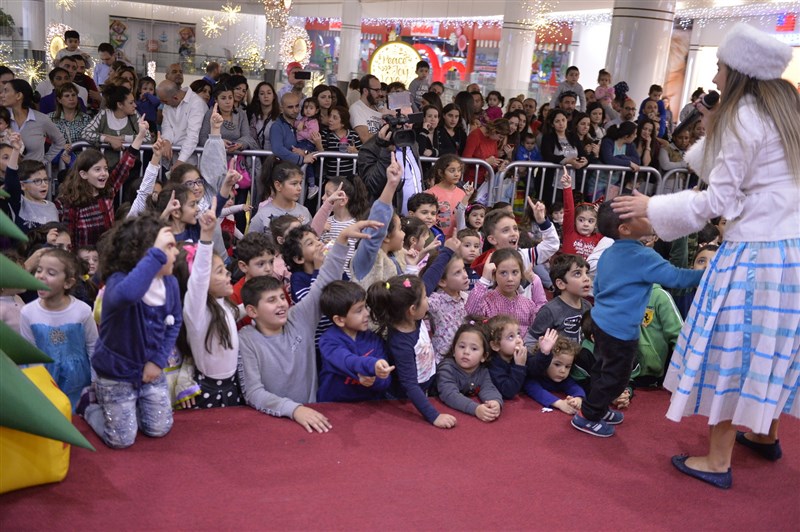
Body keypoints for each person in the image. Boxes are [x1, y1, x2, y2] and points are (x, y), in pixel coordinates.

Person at [613, 23, 800, 488]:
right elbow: (726, 165)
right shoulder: (783, 111)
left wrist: (650, 207)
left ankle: (717, 461)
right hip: (791, 254)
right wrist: (712, 121)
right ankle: (764, 433)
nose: (714, 78)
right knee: (772, 346)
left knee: (730, 348)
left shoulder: (743, 117)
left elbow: (714, 202)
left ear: (737, 70)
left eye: (718, 67)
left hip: (754, 254)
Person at [570, 201, 703, 438]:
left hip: (601, 321)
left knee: (603, 369)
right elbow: (678, 277)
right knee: (617, 376)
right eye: (643, 215)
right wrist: (712, 274)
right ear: (625, 228)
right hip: (620, 331)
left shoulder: (610, 251)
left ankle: (597, 407)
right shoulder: (643, 256)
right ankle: (587, 415)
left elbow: (598, 286)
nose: (649, 216)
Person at [239, 220, 380, 433]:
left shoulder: (299, 318)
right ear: (252, 311)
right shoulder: (246, 338)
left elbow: (323, 282)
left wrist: (341, 241)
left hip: (316, 416)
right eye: (271, 301)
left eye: (281, 297)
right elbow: (253, 392)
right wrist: (294, 410)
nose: (281, 304)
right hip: (272, 423)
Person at [82, 214, 181, 448]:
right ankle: (90, 406)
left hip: (150, 371)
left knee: (158, 428)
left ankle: (129, 407)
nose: (176, 253)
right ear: (146, 254)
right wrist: (156, 254)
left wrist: (157, 361)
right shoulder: (119, 281)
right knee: (121, 440)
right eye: (169, 247)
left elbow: (175, 321)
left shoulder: (170, 283)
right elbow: (128, 295)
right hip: (116, 372)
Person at [366, 274, 457, 429]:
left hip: (426, 384)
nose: (428, 300)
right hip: (404, 397)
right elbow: (410, 385)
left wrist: (447, 251)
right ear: (412, 309)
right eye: (425, 298)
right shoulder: (401, 344)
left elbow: (429, 279)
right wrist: (434, 416)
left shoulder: (416, 318)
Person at [19, 248, 97, 410]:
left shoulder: (82, 311)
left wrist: (96, 380)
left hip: (78, 380)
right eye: (39, 270)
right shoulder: (28, 312)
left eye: (51, 273)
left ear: (68, 282)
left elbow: (93, 346)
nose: (41, 276)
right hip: (45, 379)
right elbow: (29, 353)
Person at [56, 116, 148, 247]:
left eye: (105, 168)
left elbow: (125, 164)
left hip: (105, 254)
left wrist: (141, 135)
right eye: (97, 169)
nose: (103, 173)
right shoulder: (71, 202)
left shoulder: (108, 191)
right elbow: (69, 235)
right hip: (83, 258)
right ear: (83, 174)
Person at [317, 281, 394, 402]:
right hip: (334, 407)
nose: (367, 314)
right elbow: (346, 360)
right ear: (339, 320)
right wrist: (371, 366)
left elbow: (385, 381)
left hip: (369, 408)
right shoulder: (328, 341)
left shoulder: (374, 340)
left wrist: (375, 380)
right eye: (359, 310)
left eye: (365, 307)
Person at [437, 322, 503, 422]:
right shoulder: (447, 368)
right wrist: (475, 409)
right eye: (462, 346)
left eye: (474, 348)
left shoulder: (482, 370)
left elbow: (488, 388)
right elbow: (449, 394)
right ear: (454, 350)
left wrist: (494, 402)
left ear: (483, 356)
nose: (466, 352)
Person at [524, 253, 592, 348]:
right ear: (561, 284)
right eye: (578, 273)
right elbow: (530, 342)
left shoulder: (587, 306)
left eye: (587, 273)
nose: (586, 278)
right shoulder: (550, 310)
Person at [466, 249, 541, 332]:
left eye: (515, 272)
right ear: (494, 275)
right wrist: (485, 279)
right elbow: (471, 312)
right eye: (503, 273)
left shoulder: (528, 305)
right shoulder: (486, 301)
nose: (510, 279)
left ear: (521, 274)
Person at [81, 84, 152, 169]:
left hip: (129, 171)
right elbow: (85, 133)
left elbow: (148, 138)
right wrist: (108, 139)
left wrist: (123, 138)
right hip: (105, 170)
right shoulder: (104, 114)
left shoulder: (134, 115)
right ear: (120, 105)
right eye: (131, 103)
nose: (135, 105)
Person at [2, 133, 58, 231]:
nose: (44, 184)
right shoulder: (19, 203)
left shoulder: (52, 206)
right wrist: (16, 150)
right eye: (37, 181)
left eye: (45, 180)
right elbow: (11, 181)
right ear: (23, 185)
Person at [2, 80, 66, 164]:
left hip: (33, 174)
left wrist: (45, 161)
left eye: (6, 91)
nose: (1, 95)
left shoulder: (41, 119)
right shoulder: (3, 119)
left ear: (18, 95)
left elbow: (60, 141)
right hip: (7, 174)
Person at [525, 331, 585, 415]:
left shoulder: (564, 379)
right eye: (557, 364)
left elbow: (574, 387)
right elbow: (537, 391)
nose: (563, 371)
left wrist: (578, 399)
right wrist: (560, 404)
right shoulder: (534, 376)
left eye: (567, 366)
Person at [248, 162, 312, 235]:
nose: (300, 188)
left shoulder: (304, 212)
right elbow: (250, 243)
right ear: (278, 185)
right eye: (294, 184)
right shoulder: (262, 215)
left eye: (300, 183)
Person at [157, 79, 208, 166]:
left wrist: (180, 161)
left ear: (175, 97)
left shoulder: (196, 103)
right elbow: (166, 126)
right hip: (171, 160)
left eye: (165, 101)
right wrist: (167, 140)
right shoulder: (167, 104)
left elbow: (192, 135)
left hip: (192, 161)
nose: (163, 104)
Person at [427, 154, 468, 238]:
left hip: (456, 238)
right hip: (436, 238)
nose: (457, 174)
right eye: (452, 170)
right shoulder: (431, 193)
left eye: (459, 170)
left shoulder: (462, 193)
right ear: (441, 172)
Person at [320, 106, 361, 177]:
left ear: (343, 123)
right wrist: (318, 143)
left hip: (351, 179)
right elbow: (323, 157)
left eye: (334, 118)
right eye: (330, 116)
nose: (330, 120)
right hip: (332, 179)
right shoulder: (325, 135)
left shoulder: (353, 135)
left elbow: (363, 154)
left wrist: (355, 152)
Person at [350, 74, 386, 143]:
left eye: (380, 90)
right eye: (377, 90)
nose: (380, 94)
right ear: (365, 91)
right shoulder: (356, 109)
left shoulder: (379, 108)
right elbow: (365, 138)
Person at [247, 81, 280, 152]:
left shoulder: (280, 117)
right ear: (258, 97)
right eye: (262, 93)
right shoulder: (254, 117)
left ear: (274, 96)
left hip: (275, 157)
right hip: (257, 156)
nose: (266, 96)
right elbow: (251, 138)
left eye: (269, 93)